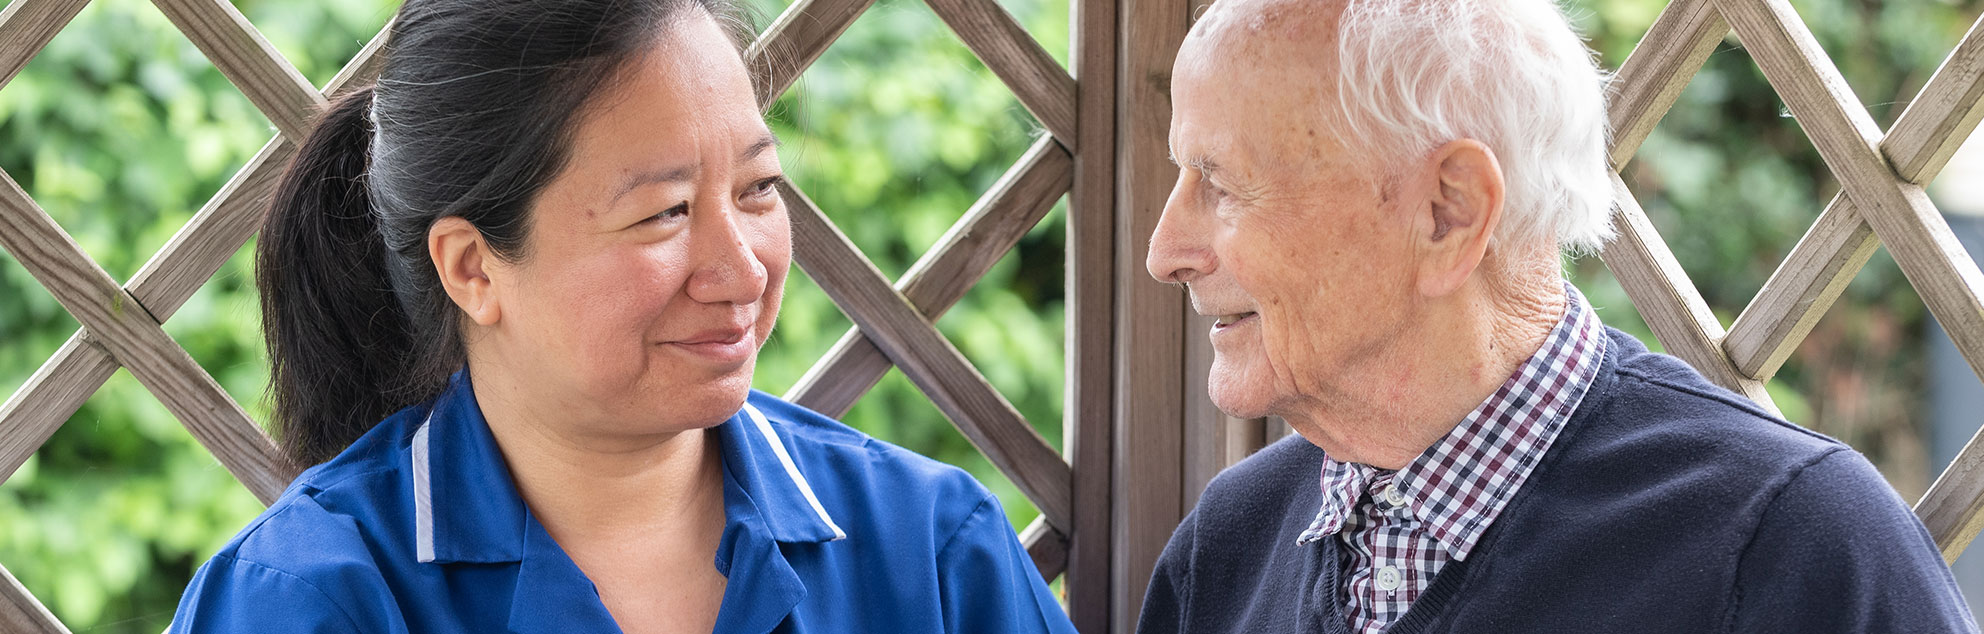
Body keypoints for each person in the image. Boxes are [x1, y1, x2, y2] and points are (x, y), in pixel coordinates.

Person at [167, 1, 1076, 632]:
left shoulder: (931, 552)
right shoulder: (307, 600)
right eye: (664, 212)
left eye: (758, 189)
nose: (740, 269)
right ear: (473, 267)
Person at [1137, 0, 1979, 632]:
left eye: (1222, 185)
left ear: (1448, 212)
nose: (1165, 250)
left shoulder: (1793, 549)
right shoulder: (1230, 546)